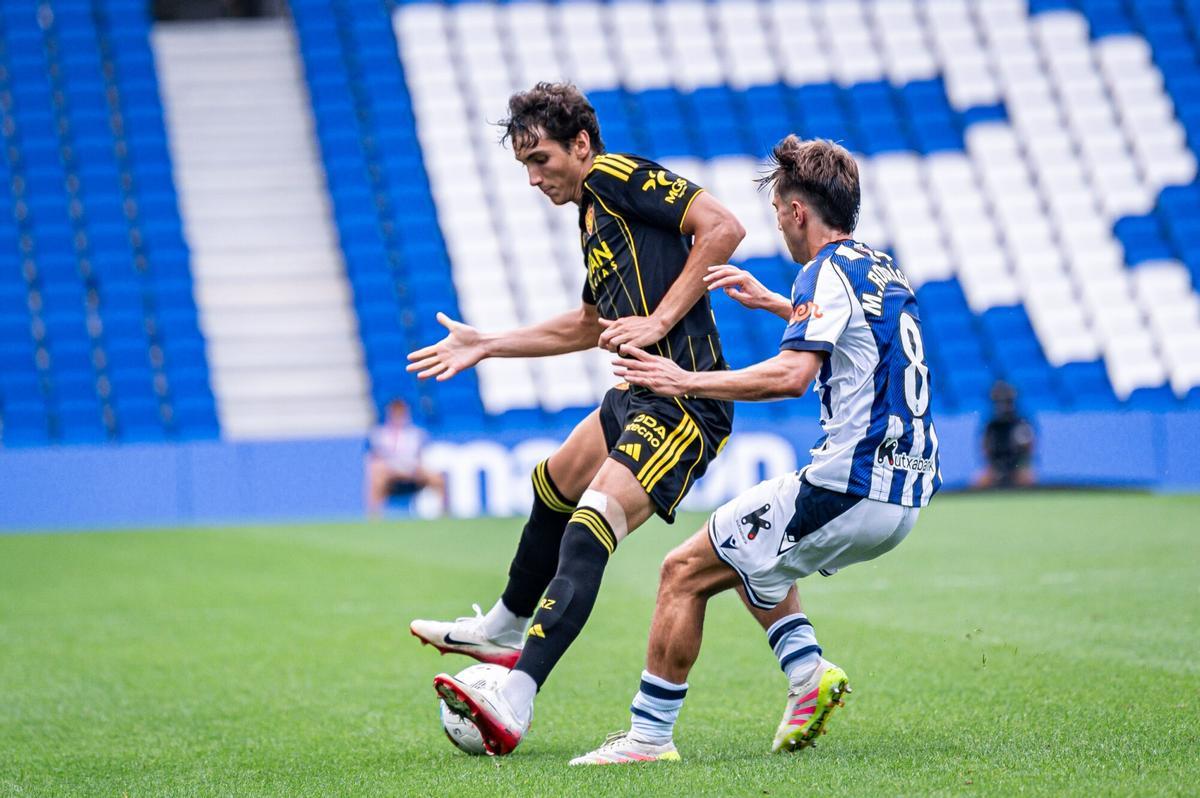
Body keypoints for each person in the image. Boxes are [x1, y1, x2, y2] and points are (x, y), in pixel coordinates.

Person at [569, 136, 941, 765]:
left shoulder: (821, 270)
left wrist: (683, 380)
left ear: (798, 211)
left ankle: (647, 738)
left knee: (682, 571)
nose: (780, 229)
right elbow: (855, 336)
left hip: (849, 485)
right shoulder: (879, 267)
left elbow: (790, 377)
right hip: (904, 491)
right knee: (745, 550)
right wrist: (776, 302)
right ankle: (806, 674)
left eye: (778, 214)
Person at [404, 82, 746, 755]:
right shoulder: (592, 216)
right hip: (634, 396)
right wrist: (490, 342)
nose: (534, 179)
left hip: (683, 400)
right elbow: (592, 323)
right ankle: (505, 624)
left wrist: (661, 319)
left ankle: (517, 698)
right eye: (525, 167)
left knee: (590, 527)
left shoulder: (617, 175)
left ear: (582, 145)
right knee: (553, 483)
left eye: (541, 161)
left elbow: (725, 226)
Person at [364, 399, 446, 518]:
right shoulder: (379, 435)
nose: (398, 417)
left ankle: (443, 513)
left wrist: (413, 470)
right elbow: (376, 459)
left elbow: (420, 458)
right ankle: (374, 516)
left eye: (401, 413)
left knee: (437, 478)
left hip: (412, 472)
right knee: (377, 477)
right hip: (391, 474)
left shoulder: (416, 434)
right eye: (395, 413)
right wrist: (395, 471)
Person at [974, 381, 1036, 488]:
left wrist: (1019, 466)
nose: (1003, 406)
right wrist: (995, 468)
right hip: (995, 467)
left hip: (1017, 468)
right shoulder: (991, 425)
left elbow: (1028, 450)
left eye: (1007, 402)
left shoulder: (1021, 423)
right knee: (979, 481)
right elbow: (985, 449)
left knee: (1028, 478)